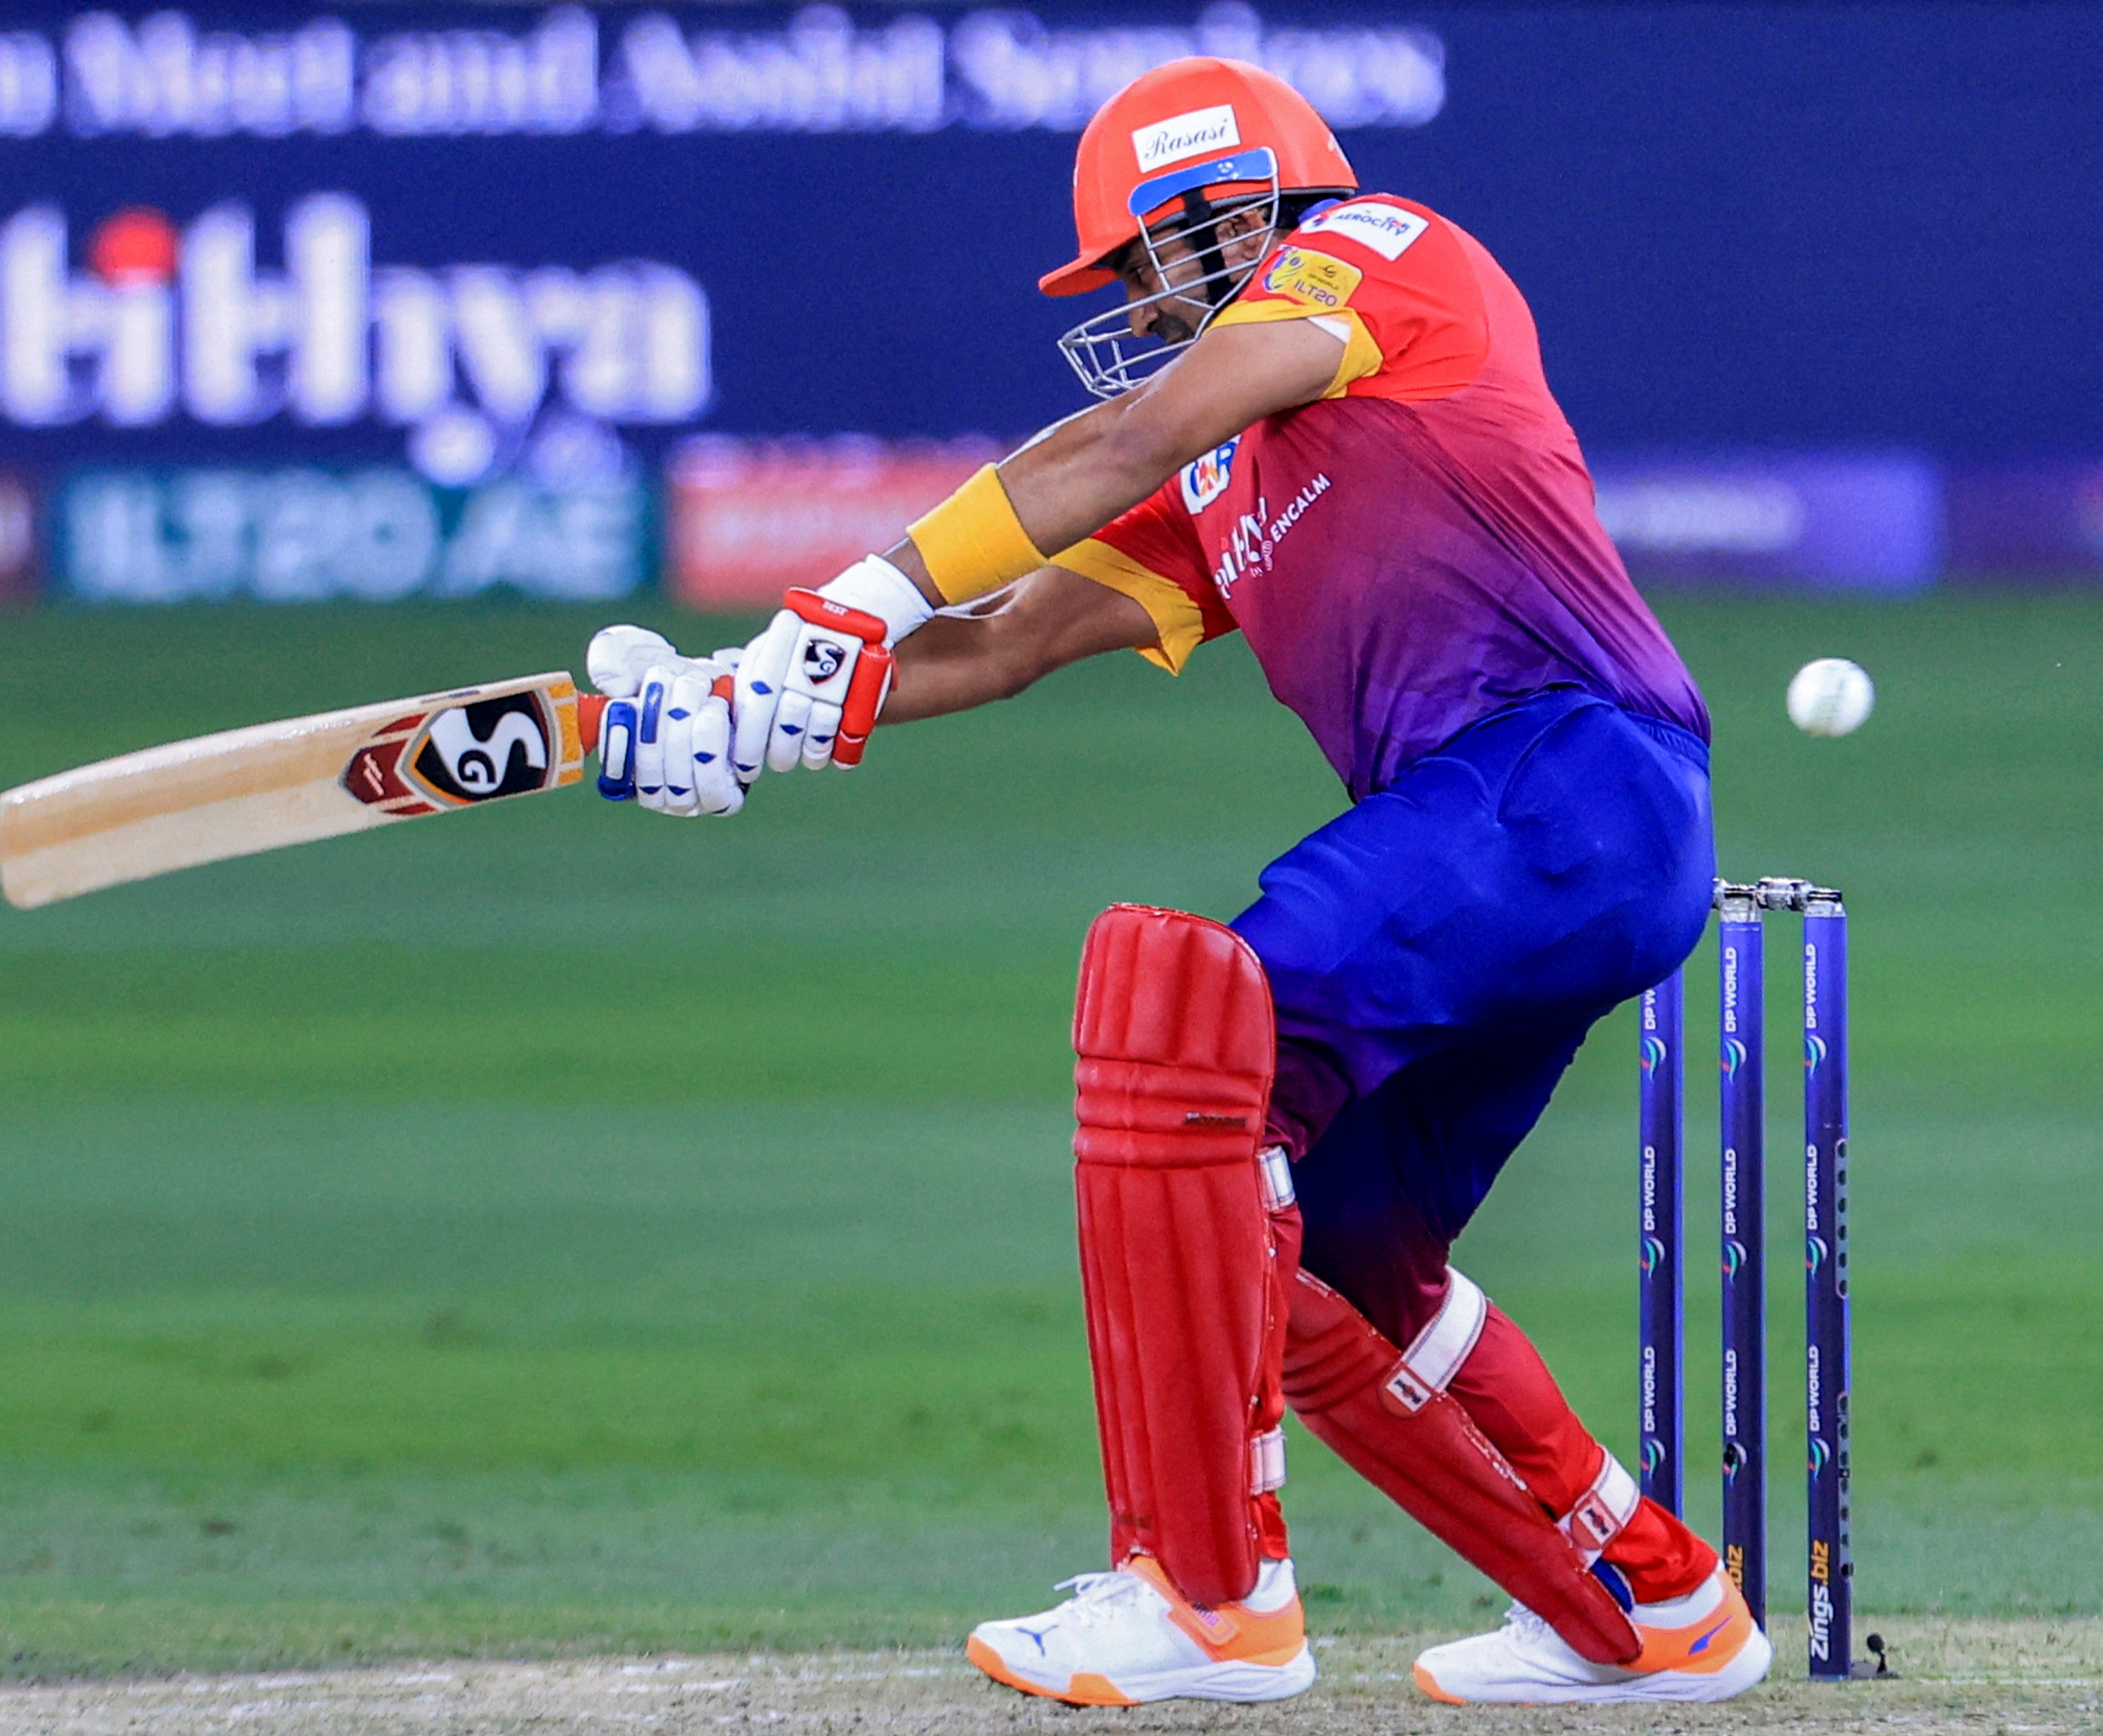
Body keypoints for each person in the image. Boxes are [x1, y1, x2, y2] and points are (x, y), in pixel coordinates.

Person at [586, 55, 1762, 1708]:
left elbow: (1132, 428)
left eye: (1142, 263)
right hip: (1523, 846)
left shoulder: (1386, 252)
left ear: (1219, 214)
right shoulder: (1233, 476)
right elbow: (998, 644)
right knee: (1323, 1258)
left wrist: (843, 597)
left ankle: (1205, 1591)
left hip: (1569, 779)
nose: (1134, 306)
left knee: (1190, 1032)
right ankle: (1650, 1605)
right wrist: (752, 703)